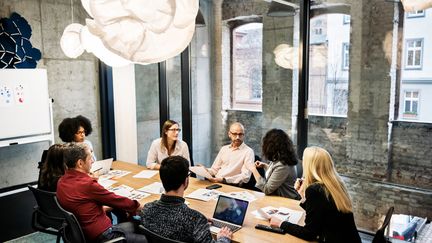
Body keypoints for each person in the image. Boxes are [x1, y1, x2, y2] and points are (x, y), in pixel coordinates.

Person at [56, 143, 147, 243]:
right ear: (80, 163)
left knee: (137, 225)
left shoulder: (62, 181)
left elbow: (84, 204)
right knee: (147, 238)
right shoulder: (87, 184)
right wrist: (138, 205)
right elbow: (114, 199)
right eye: (90, 158)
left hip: (83, 232)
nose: (93, 161)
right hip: (103, 236)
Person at [269, 147, 361, 242]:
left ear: (310, 165)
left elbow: (309, 233)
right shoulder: (337, 183)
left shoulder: (315, 190)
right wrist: (302, 194)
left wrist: (281, 223)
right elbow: (321, 213)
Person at [140, 155, 232, 243]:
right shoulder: (196, 220)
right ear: (186, 180)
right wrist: (223, 238)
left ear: (162, 179)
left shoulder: (147, 209)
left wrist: (199, 224)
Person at [245, 129, 300, 199]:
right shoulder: (281, 157)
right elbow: (277, 173)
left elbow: (267, 189)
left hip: (286, 200)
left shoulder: (283, 164)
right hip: (277, 197)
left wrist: (253, 170)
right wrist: (265, 166)